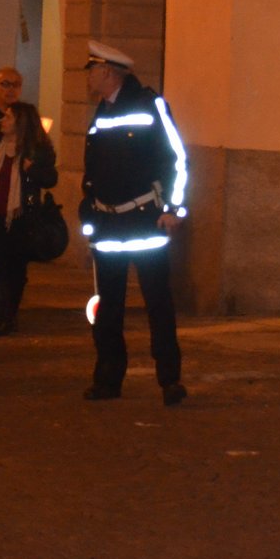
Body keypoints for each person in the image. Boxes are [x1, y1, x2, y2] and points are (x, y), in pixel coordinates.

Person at [78, 40, 189, 406]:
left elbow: (177, 159)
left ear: (109, 72)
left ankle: (169, 379)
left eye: (93, 71)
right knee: (108, 307)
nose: (89, 77)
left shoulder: (149, 105)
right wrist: (89, 208)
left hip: (145, 221)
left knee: (158, 303)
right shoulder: (101, 111)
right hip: (108, 224)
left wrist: (174, 207)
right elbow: (94, 169)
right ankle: (108, 378)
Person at [0, 101, 57, 335]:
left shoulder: (37, 149)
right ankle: (4, 313)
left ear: (21, 123)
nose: (3, 120)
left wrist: (32, 168)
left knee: (15, 268)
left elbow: (51, 178)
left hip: (20, 216)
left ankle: (9, 313)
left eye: (9, 117)